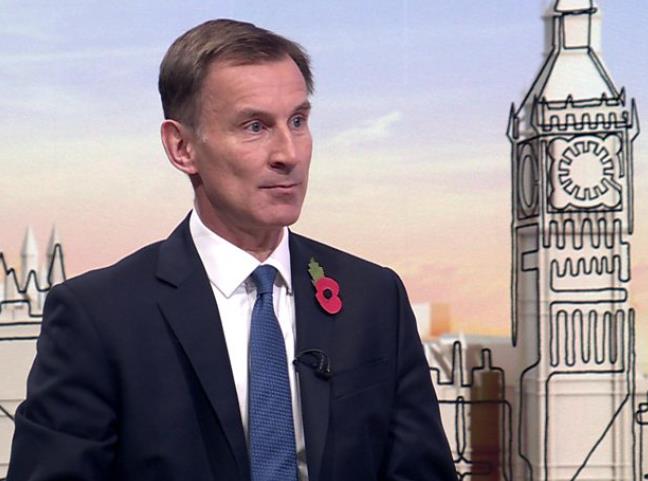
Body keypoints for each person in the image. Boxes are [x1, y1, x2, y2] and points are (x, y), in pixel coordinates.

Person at [7, 18, 456, 481]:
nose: (289, 154)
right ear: (182, 147)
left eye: (298, 121)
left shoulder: (374, 297)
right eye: (255, 126)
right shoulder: (99, 317)